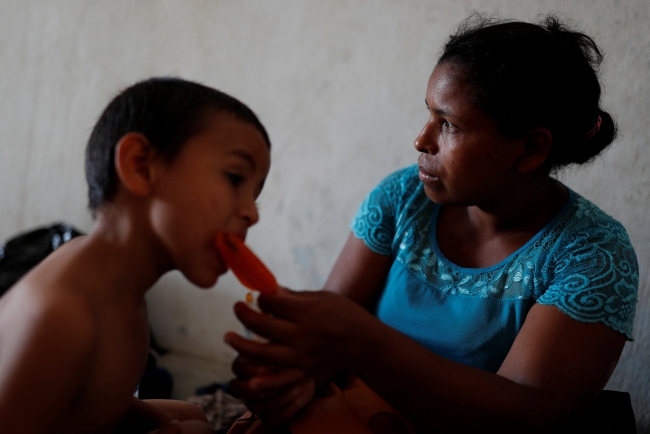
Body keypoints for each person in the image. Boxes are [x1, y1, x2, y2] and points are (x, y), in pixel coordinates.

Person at [224, 14, 639, 433]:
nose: (422, 141)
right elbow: (324, 344)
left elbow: (528, 413)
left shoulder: (592, 254)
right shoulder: (404, 198)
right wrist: (287, 389)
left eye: (450, 125)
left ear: (531, 148)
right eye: (428, 115)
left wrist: (364, 343)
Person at [0, 77, 271, 433]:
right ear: (141, 166)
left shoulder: (121, 292)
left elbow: (88, 395)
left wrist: (155, 421)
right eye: (235, 178)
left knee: (191, 417)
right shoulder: (62, 314)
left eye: (257, 194)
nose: (253, 213)